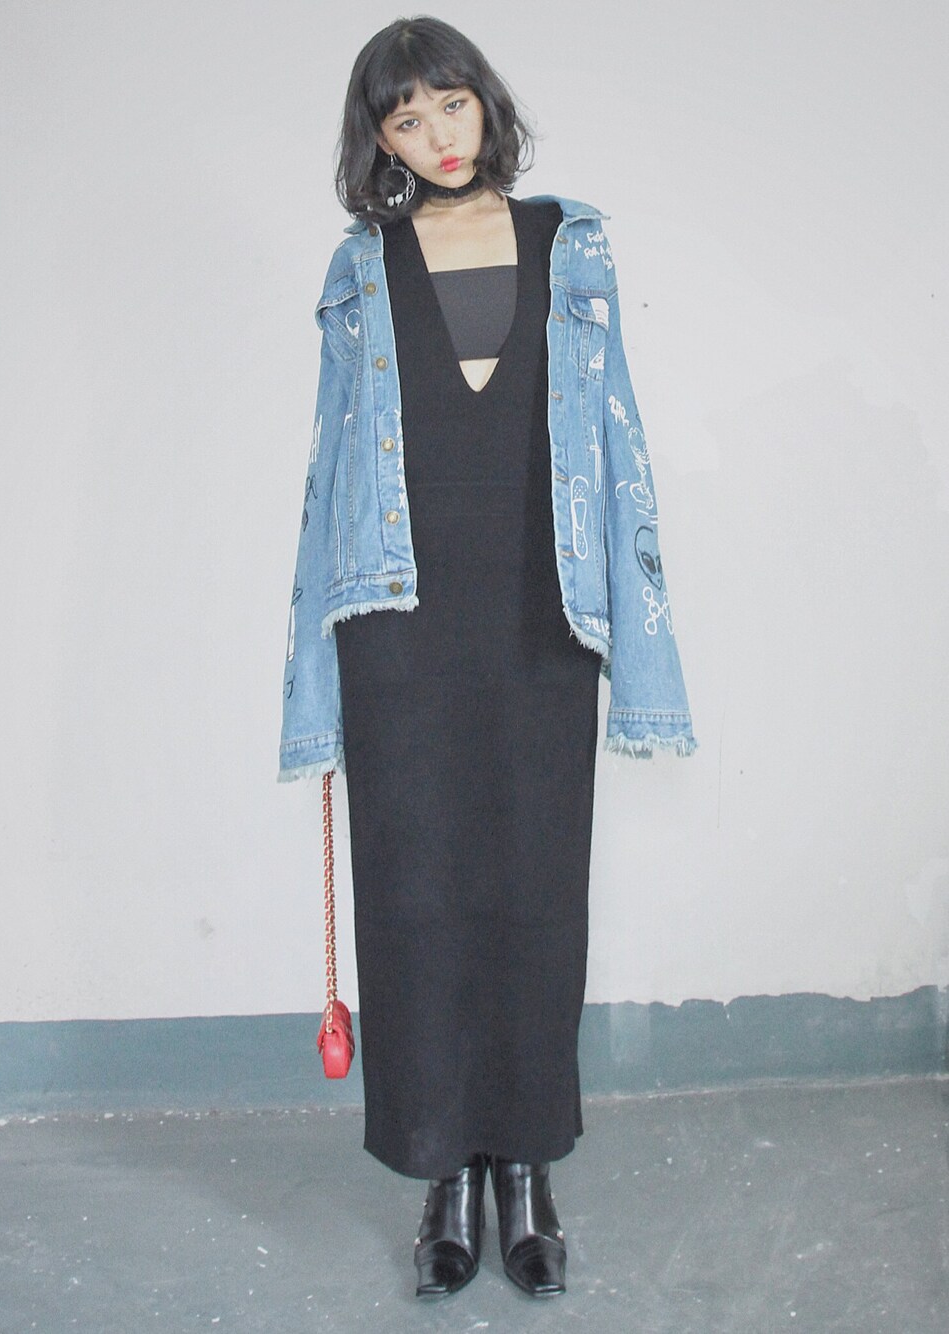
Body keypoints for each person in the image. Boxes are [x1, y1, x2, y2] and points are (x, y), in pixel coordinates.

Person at [278, 15, 696, 1300]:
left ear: (484, 103)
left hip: (538, 609)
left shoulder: (572, 245)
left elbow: (615, 440)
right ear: (381, 143)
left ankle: (525, 1168)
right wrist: (312, 663)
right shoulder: (361, 267)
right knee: (413, 901)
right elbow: (329, 470)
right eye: (403, 120)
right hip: (398, 618)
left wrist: (639, 625)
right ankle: (442, 1176)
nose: (435, 135)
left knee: (533, 892)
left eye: (448, 104)